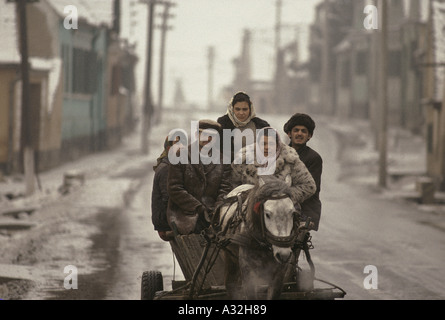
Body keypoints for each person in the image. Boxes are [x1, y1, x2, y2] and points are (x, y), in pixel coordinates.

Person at [167, 120, 232, 235]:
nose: (208, 139)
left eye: (213, 136)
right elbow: (174, 188)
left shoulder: (224, 160)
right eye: (205, 135)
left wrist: (217, 210)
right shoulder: (180, 154)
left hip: (214, 214)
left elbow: (225, 188)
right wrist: (198, 207)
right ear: (197, 135)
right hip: (185, 215)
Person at [231, 127, 316, 207]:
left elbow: (309, 185)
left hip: (281, 210)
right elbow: (231, 183)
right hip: (247, 209)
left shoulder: (290, 160)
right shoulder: (243, 160)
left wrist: (285, 196)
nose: (267, 147)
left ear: (277, 145)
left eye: (271, 144)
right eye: (263, 144)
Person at [283, 113, 322, 231]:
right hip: (282, 203)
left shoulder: (314, 158)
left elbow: (309, 189)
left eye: (304, 131)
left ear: (309, 136)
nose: (299, 133)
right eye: (296, 130)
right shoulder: (281, 154)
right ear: (289, 133)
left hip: (305, 207)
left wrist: (284, 197)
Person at [217, 92, 270, 163]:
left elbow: (270, 147)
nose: (241, 113)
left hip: (256, 167)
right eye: (237, 109)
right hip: (230, 169)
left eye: (245, 109)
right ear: (232, 109)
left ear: (250, 109)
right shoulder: (224, 125)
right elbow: (219, 150)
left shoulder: (261, 125)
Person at [151, 133, 181, 241]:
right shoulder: (166, 168)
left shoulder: (173, 164)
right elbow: (168, 198)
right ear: (169, 148)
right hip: (166, 223)